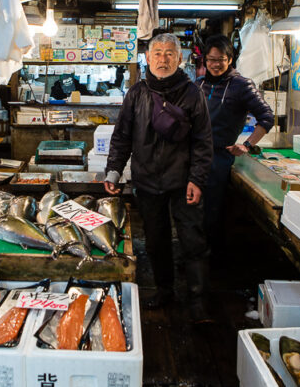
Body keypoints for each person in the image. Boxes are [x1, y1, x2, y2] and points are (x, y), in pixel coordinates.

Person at [104, 33, 213, 322]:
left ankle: (198, 301)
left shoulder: (193, 93)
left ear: (180, 59)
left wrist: (198, 179)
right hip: (147, 181)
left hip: (183, 182)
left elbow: (203, 141)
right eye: (158, 53)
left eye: (169, 53)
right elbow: (122, 136)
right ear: (148, 58)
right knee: (155, 240)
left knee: (193, 241)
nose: (163, 59)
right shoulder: (136, 93)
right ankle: (164, 290)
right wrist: (114, 170)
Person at [197, 35, 274, 256]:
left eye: (220, 59)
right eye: (211, 59)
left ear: (230, 59)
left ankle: (211, 261)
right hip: (194, 155)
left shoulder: (242, 85)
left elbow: (266, 117)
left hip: (219, 158)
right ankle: (194, 255)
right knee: (193, 210)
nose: (215, 64)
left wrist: (247, 145)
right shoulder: (199, 84)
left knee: (212, 211)